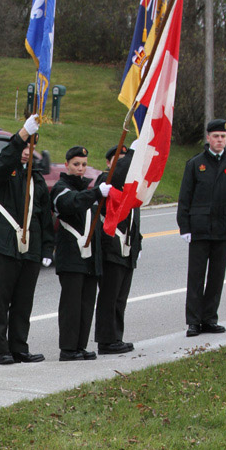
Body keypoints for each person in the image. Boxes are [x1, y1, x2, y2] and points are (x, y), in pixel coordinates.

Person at [0, 115, 53, 365]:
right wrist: (20, 136)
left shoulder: (37, 178)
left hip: (30, 248)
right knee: (1, 300)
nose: (26, 151)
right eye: (24, 145)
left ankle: (20, 346)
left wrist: (47, 248)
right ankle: (1, 349)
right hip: (4, 245)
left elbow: (44, 216)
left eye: (31, 146)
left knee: (23, 301)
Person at [177, 118, 226, 338]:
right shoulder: (195, 163)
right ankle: (193, 321)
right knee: (196, 276)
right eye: (216, 136)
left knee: (217, 276)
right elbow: (184, 198)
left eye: (223, 137)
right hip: (199, 227)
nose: (220, 140)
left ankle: (209, 318)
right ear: (208, 138)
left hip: (223, 226)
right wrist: (184, 227)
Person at [50, 146, 109, 361]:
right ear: (67, 165)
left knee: (86, 304)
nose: (80, 169)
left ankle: (80, 346)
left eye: (84, 164)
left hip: (90, 257)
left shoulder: (90, 191)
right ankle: (68, 348)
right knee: (71, 305)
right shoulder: (60, 188)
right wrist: (95, 193)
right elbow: (70, 203)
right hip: (71, 257)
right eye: (76, 164)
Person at [94, 146, 141, 355]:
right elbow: (120, 173)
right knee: (109, 296)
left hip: (127, 248)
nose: (122, 163)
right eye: (117, 159)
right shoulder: (105, 181)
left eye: (123, 159)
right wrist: (134, 152)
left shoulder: (131, 186)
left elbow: (134, 220)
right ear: (108, 163)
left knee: (121, 298)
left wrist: (138, 244)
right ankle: (106, 340)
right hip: (111, 247)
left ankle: (116, 337)